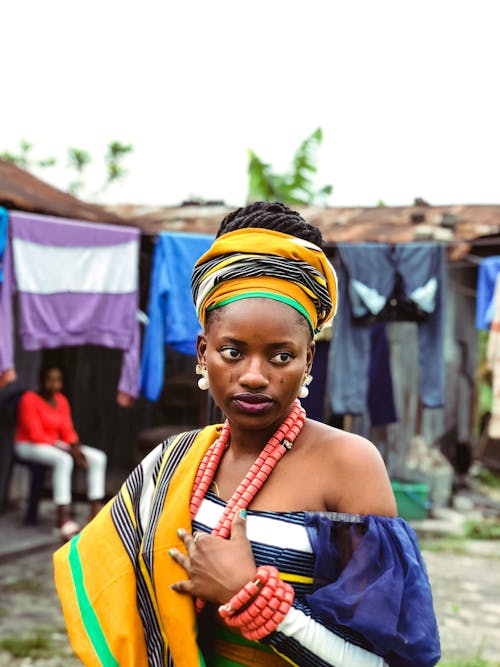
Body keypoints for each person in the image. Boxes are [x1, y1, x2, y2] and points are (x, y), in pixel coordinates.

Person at [53, 202, 440, 666]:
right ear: (203, 352)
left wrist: (249, 597)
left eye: (280, 356)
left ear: (308, 360)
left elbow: (386, 661)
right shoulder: (174, 462)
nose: (254, 376)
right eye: (232, 352)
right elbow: (111, 585)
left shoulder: (349, 464)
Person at [15, 364, 107, 541]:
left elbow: (67, 429)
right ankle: (62, 519)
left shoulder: (61, 400)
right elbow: (34, 433)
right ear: (42, 381)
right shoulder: (29, 399)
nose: (54, 384)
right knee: (63, 460)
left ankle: (94, 513)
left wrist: (75, 445)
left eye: (58, 380)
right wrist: (67, 449)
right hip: (28, 444)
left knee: (98, 457)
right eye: (50, 380)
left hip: (57, 445)